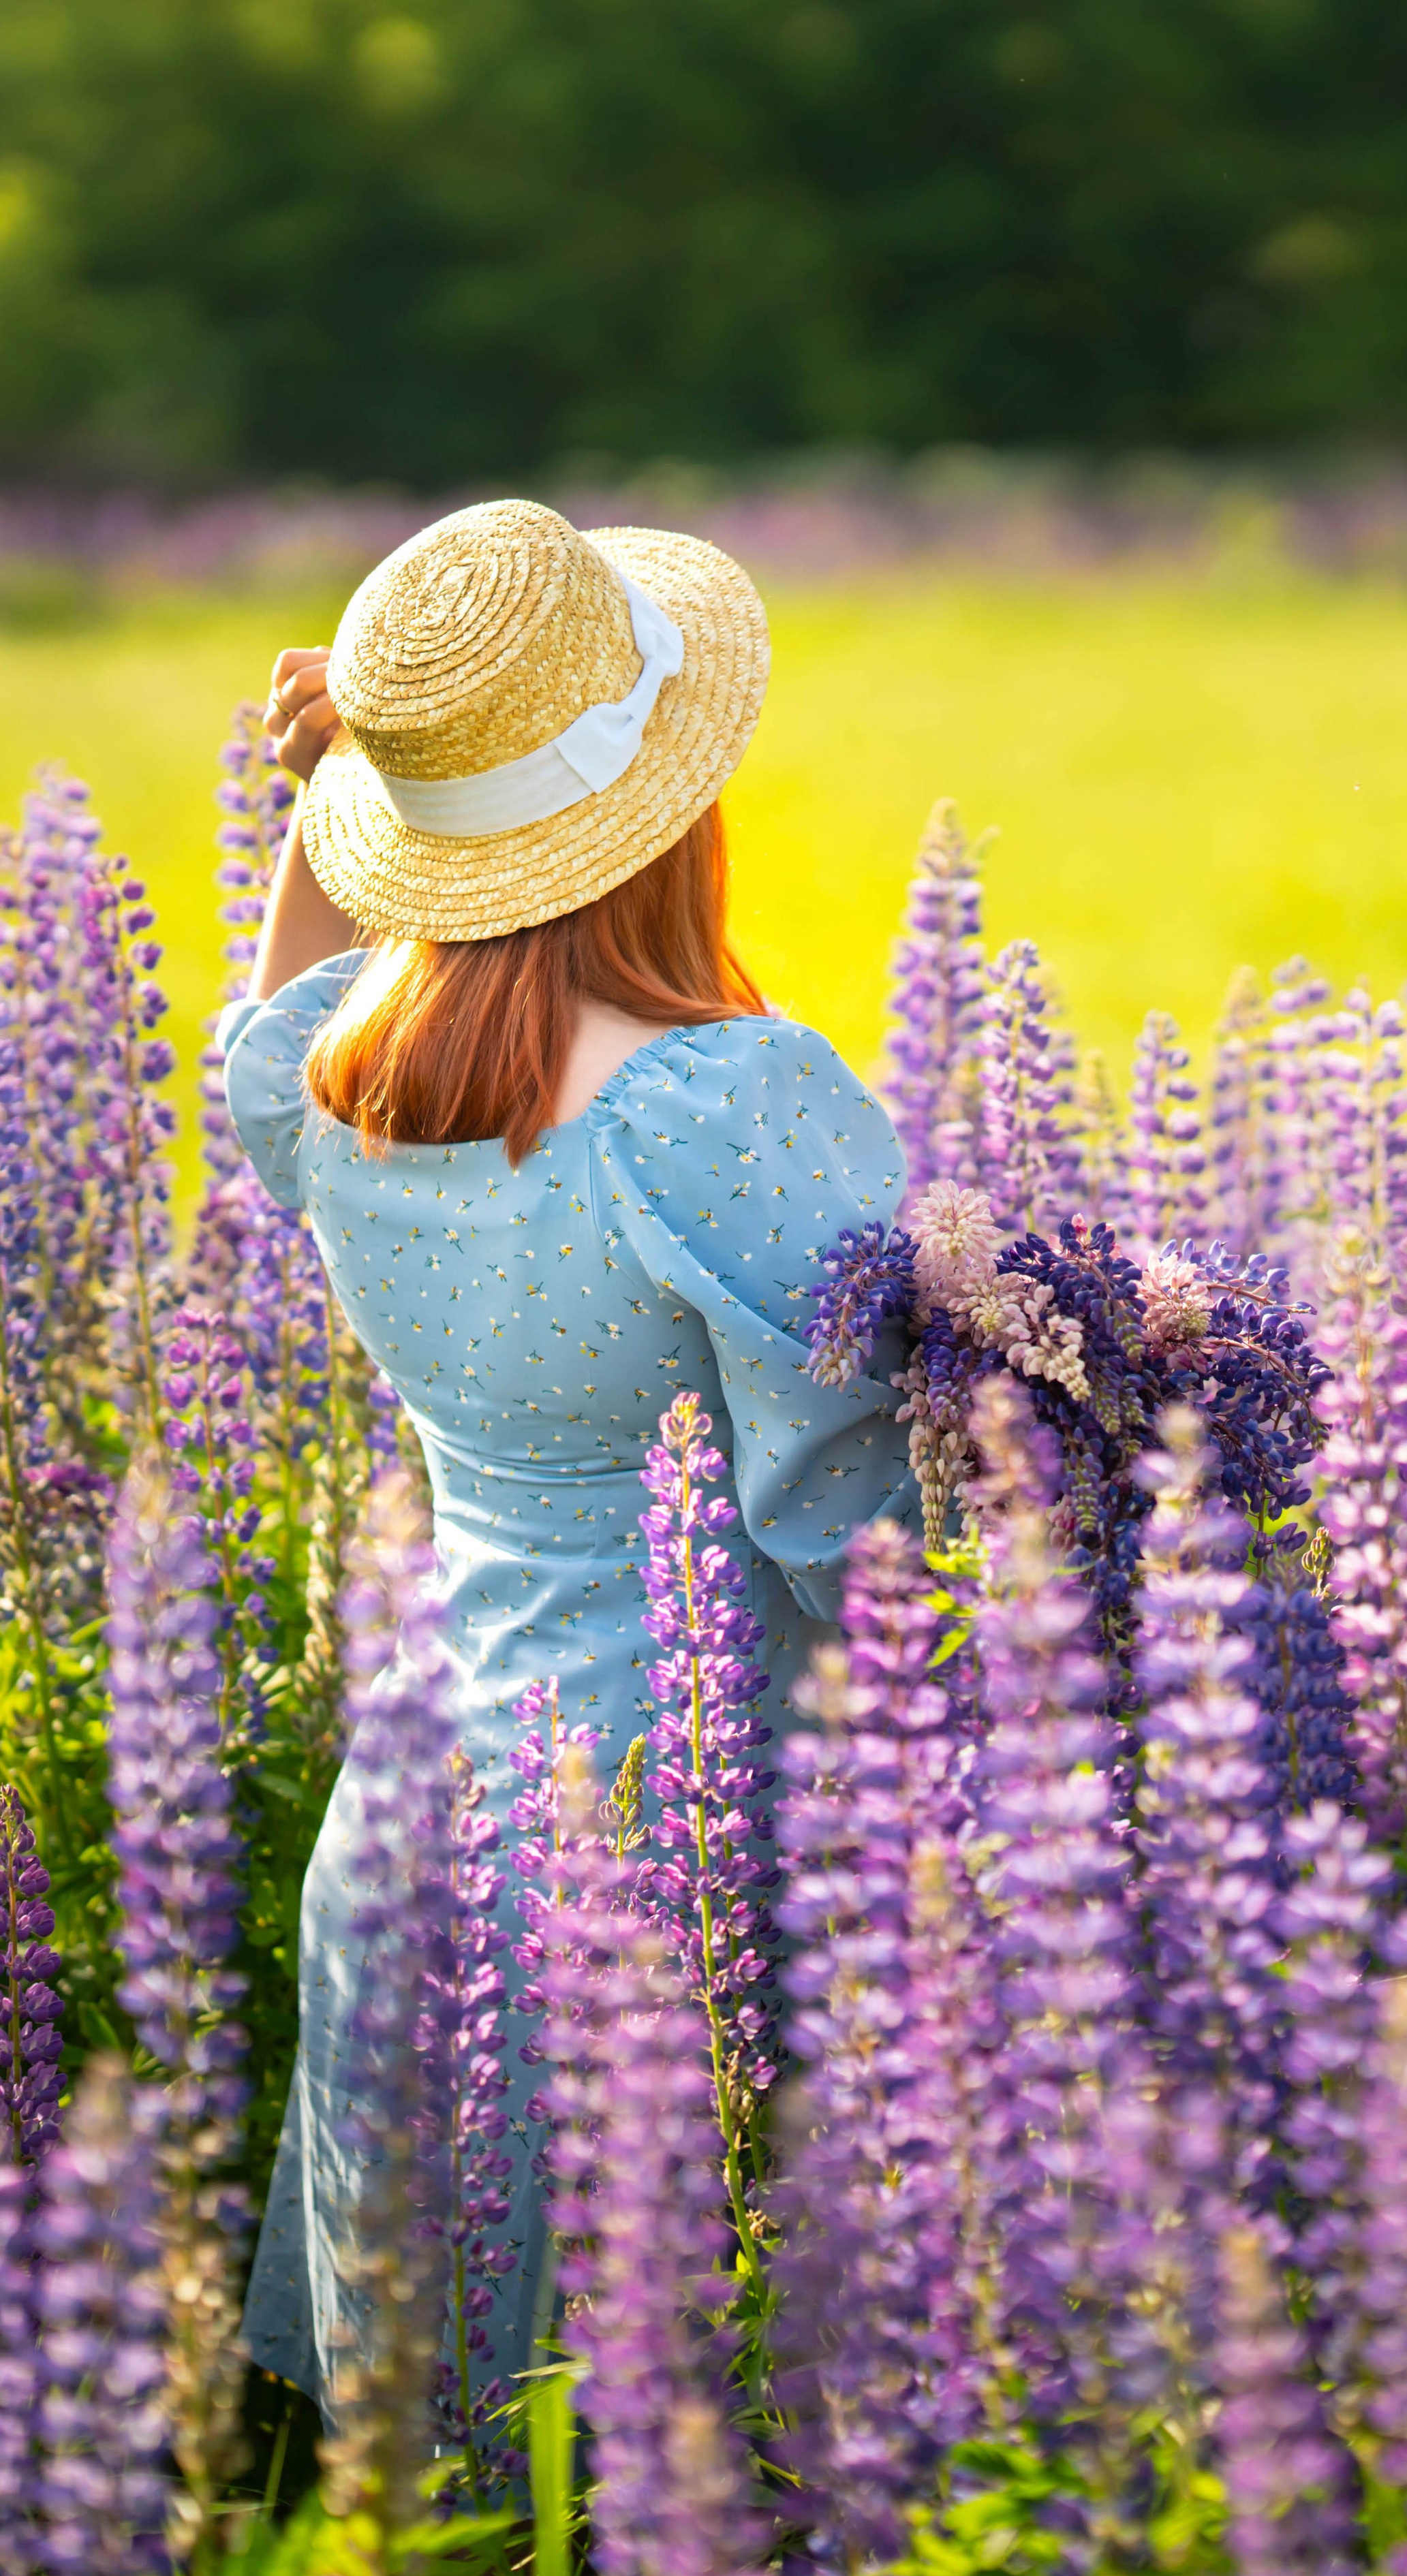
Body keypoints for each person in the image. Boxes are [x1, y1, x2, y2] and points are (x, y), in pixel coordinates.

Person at [221, 497, 915, 2419]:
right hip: (686, 1813)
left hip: (425, 1813)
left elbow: (257, 1038)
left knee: (455, 2459)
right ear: (672, 815)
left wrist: (340, 798)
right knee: (696, 2431)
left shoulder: (353, 1088)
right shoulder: (723, 1103)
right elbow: (874, 1501)